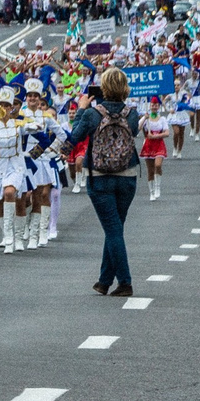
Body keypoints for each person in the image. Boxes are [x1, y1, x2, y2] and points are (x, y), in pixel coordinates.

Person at [71, 67, 141, 297]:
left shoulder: (93, 113)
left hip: (100, 178)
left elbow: (75, 136)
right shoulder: (132, 112)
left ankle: (125, 282)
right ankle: (104, 281)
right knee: (115, 229)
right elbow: (133, 133)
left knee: (112, 231)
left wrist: (81, 110)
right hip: (128, 174)